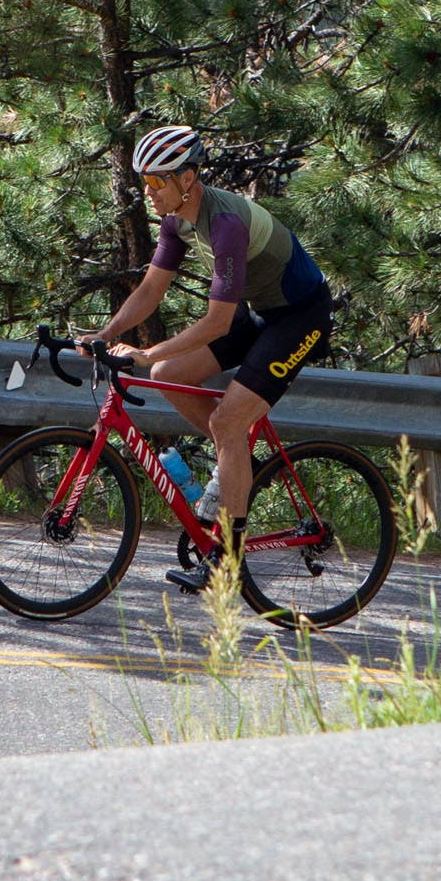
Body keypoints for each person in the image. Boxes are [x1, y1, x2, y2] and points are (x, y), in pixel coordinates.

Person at [86, 123, 335, 591]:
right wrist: (105, 333)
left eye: (157, 180)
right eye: (145, 181)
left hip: (301, 317)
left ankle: (227, 559)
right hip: (261, 313)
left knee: (224, 421)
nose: (148, 191)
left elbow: (217, 323)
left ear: (188, 178)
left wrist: (144, 350)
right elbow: (152, 289)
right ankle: (236, 463)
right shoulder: (177, 219)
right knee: (166, 374)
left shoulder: (224, 223)